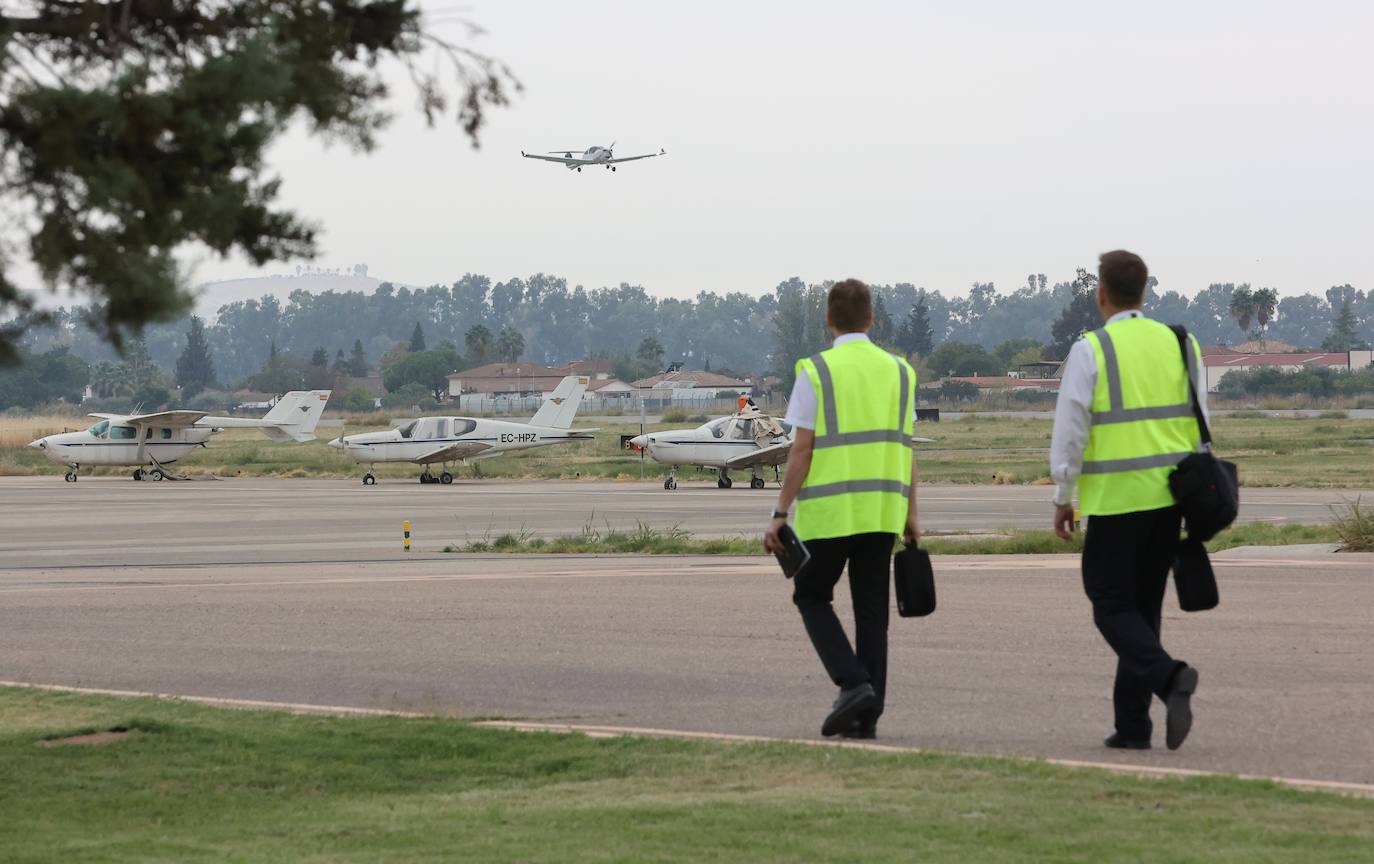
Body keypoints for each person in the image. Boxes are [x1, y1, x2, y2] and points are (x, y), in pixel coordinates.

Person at [1050, 250, 1206, 751]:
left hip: (1117, 502)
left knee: (1109, 604)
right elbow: (1202, 418)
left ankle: (1170, 677)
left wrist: (1063, 494)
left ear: (1101, 294)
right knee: (1144, 610)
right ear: (1145, 290)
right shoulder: (1182, 343)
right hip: (1170, 500)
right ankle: (1133, 725)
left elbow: (1071, 429)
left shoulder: (1092, 348)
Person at [764, 279, 919, 739]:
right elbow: (907, 449)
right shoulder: (901, 372)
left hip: (831, 514)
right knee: (872, 612)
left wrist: (779, 512)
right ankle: (866, 717)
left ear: (829, 320)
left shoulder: (816, 372)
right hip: (882, 512)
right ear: (872, 319)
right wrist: (912, 515)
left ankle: (852, 683)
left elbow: (801, 450)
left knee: (811, 594)